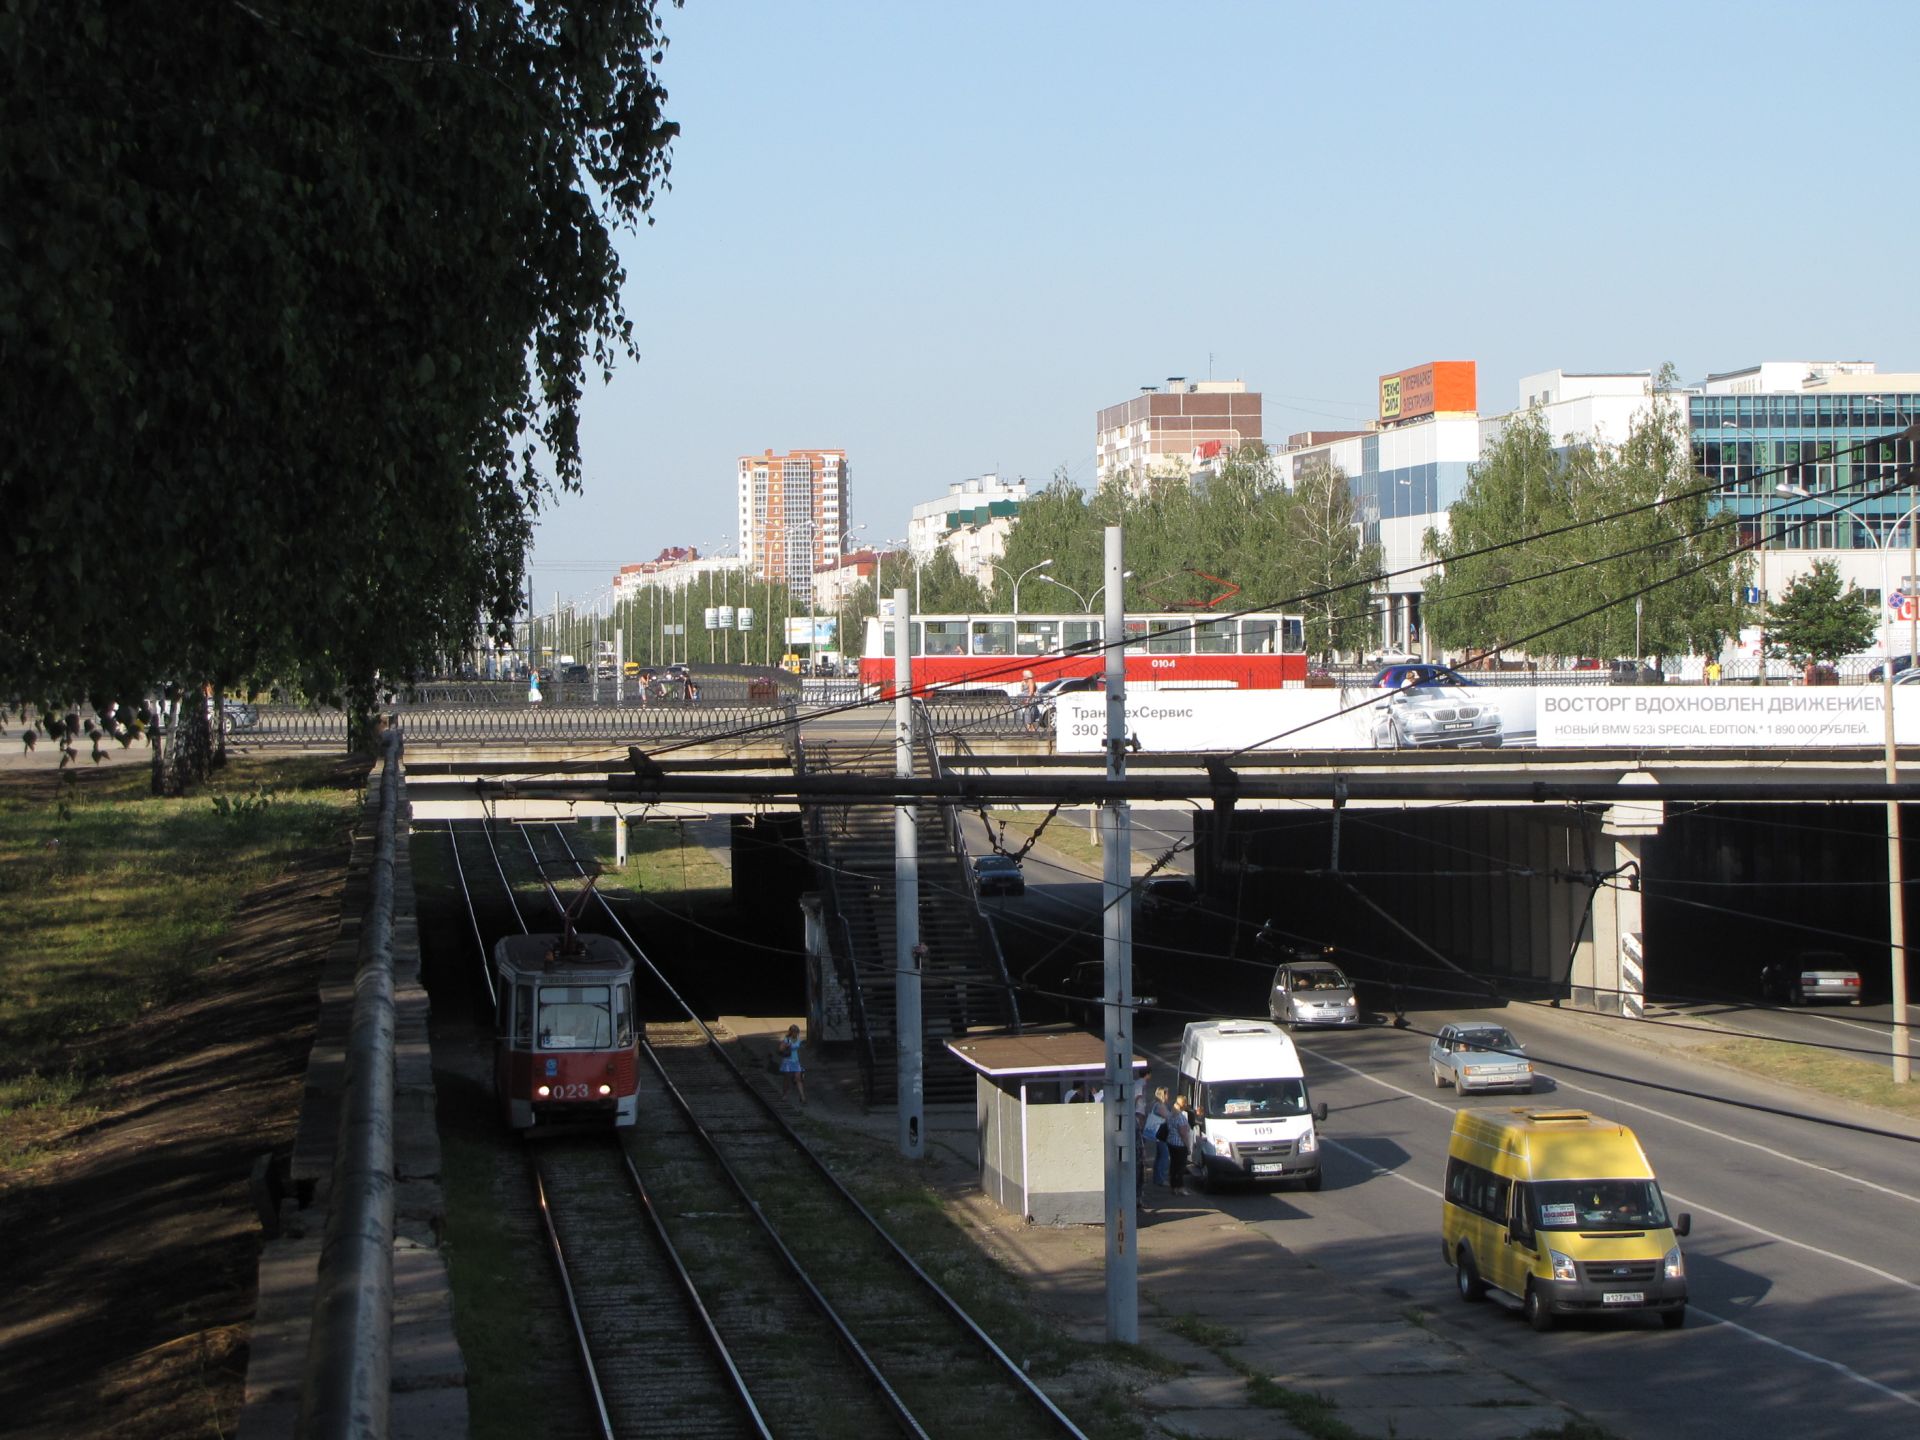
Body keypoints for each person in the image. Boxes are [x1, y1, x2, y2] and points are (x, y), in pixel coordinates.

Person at [1167, 1094, 1193, 1195]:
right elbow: (1183, 1134)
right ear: (1183, 1104)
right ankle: (1180, 1187)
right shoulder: (1180, 1117)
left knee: (1173, 1166)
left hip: (1171, 1143)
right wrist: (1188, 1146)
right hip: (1180, 1145)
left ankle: (1174, 1187)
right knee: (1181, 1167)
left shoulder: (1171, 1114)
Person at [1149, 1086, 1172, 1188]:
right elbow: (1168, 1117)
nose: (1168, 1096)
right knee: (1164, 1156)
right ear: (1163, 1095)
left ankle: (1157, 1178)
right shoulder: (1160, 1106)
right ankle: (1160, 1179)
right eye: (1167, 1094)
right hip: (1161, 1134)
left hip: (1158, 1134)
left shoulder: (1156, 1104)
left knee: (1159, 1156)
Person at [777, 1023, 806, 1105]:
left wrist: (800, 1061)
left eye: (797, 1032)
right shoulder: (787, 1040)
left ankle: (802, 1096)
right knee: (787, 1080)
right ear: (791, 1032)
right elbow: (780, 1049)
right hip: (787, 1062)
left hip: (796, 1061)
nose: (796, 1033)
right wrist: (786, 1046)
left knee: (798, 1079)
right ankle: (785, 1094)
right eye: (794, 1032)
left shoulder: (798, 1039)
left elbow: (799, 1050)